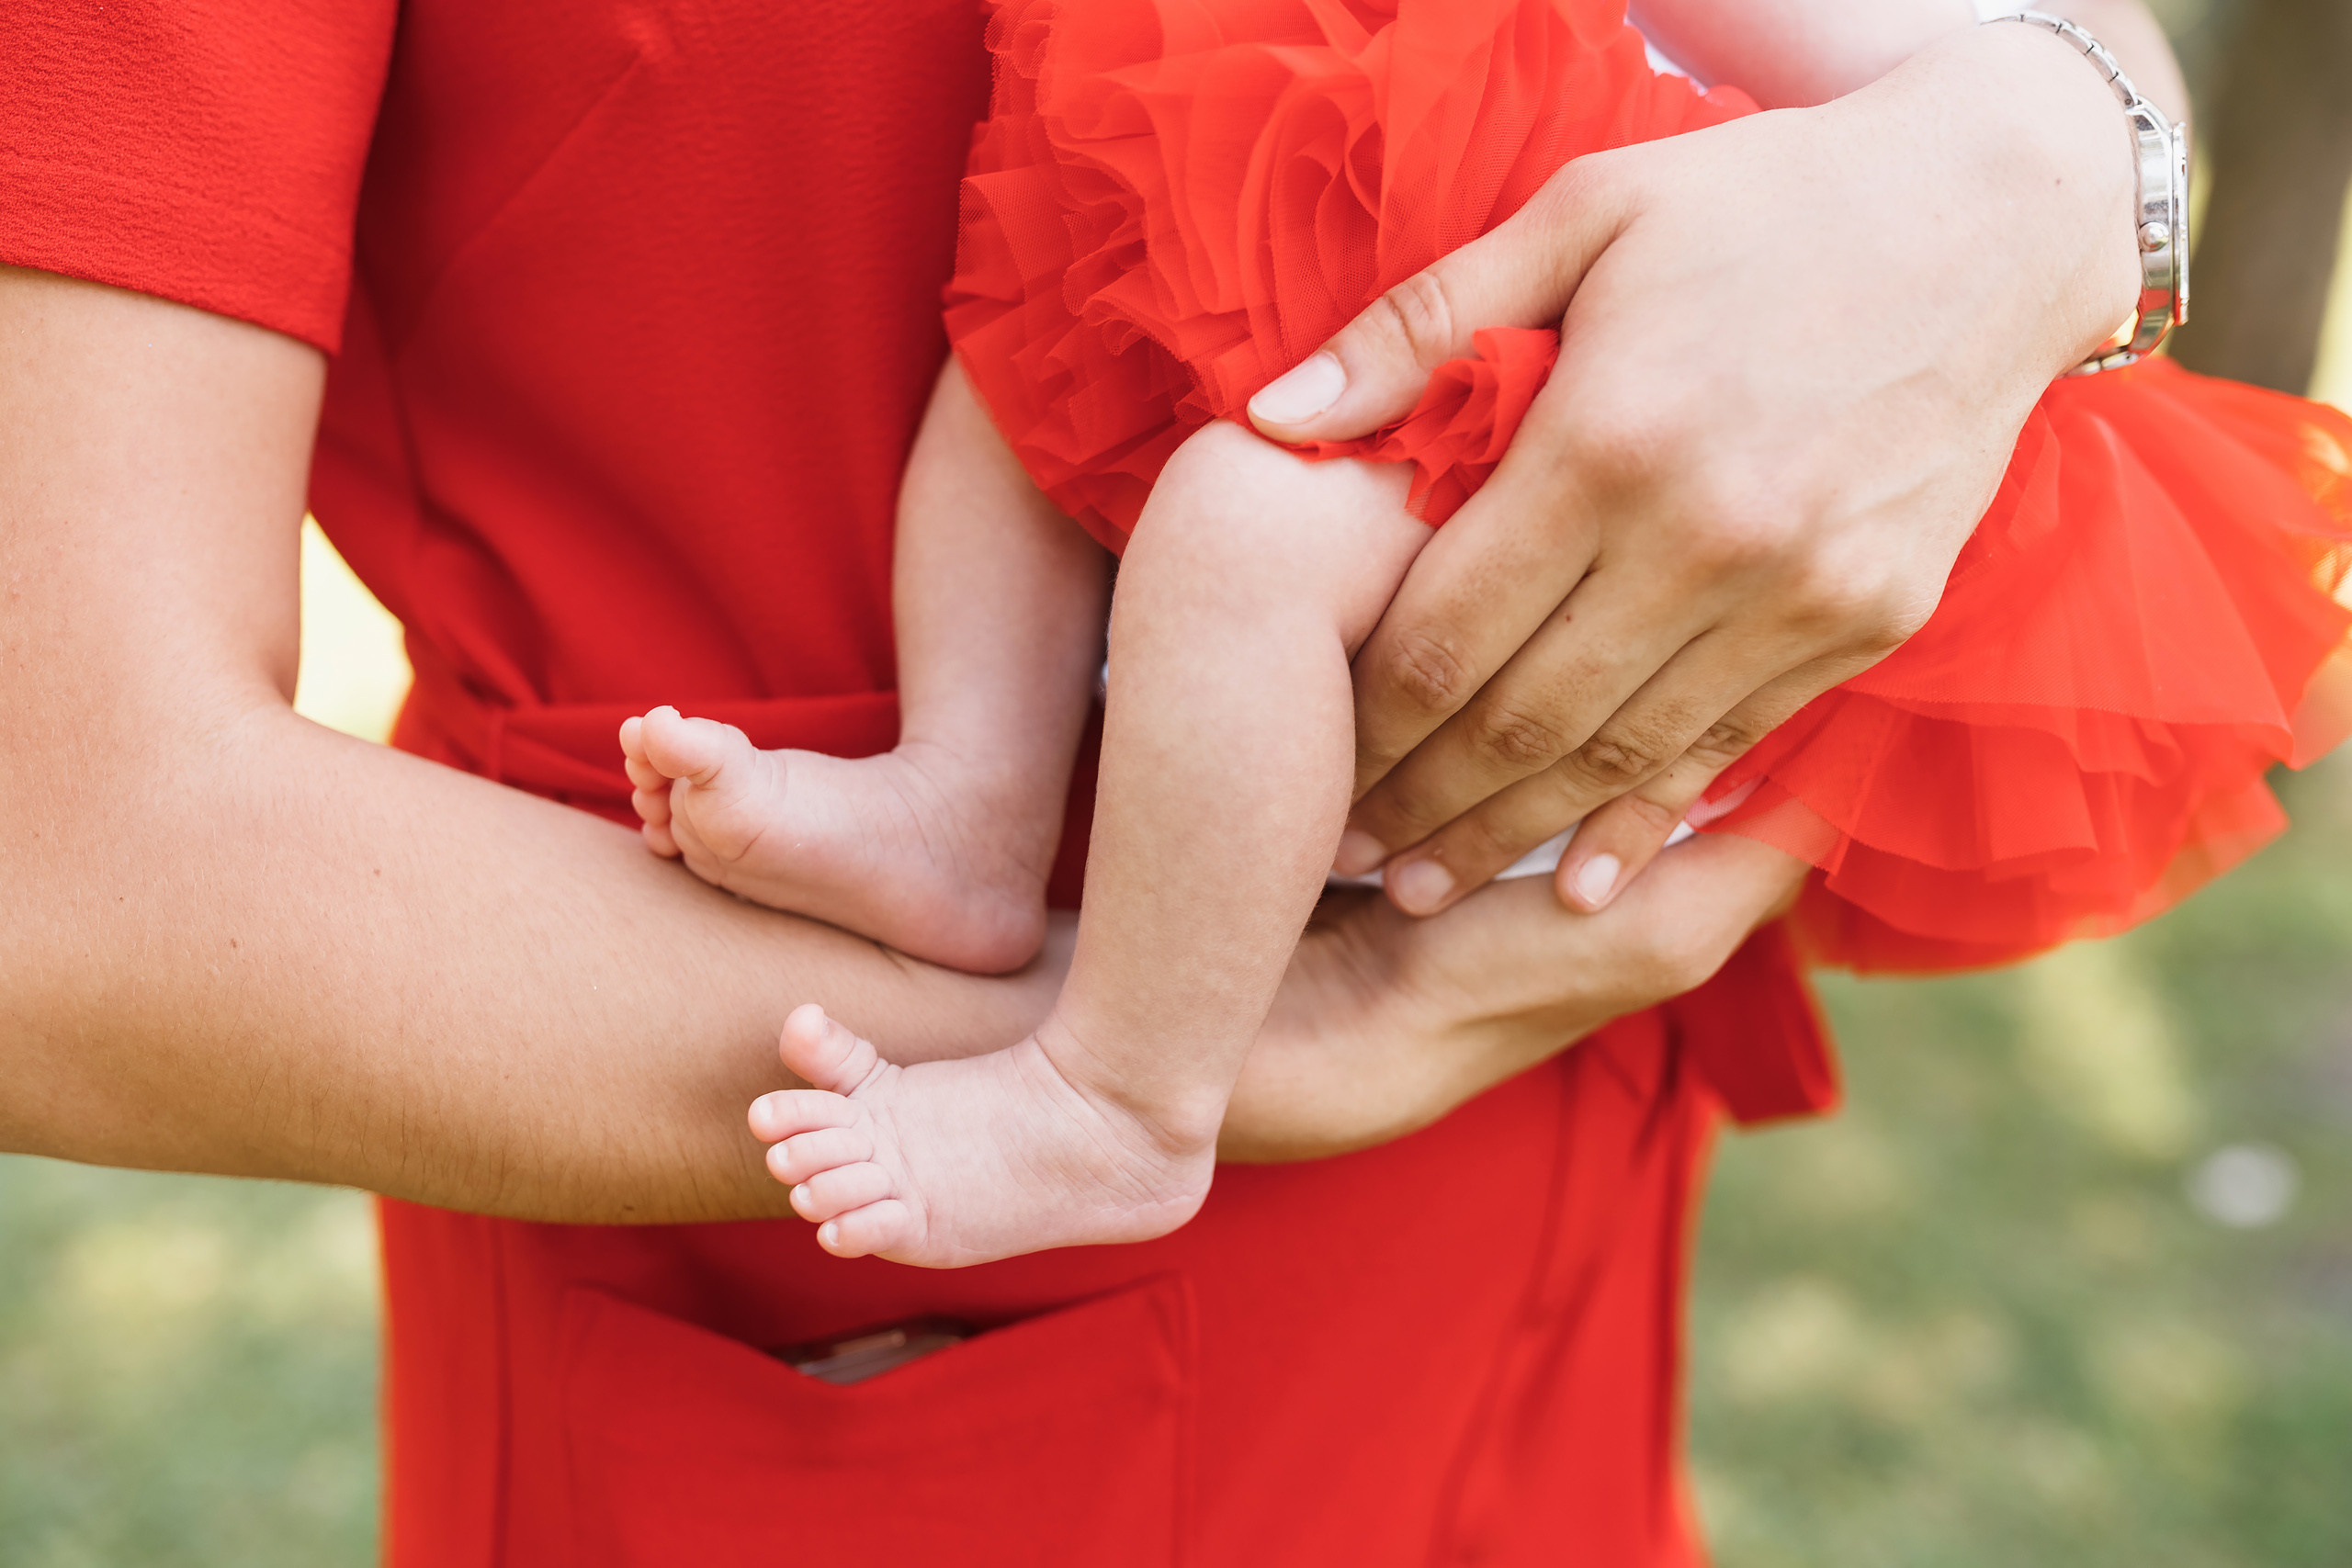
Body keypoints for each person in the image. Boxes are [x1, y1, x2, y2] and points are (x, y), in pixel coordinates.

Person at [0, 0, 2287, 1562]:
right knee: (1113, 418)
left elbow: (2025, 63)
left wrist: (2052, 173)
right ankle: (1000, 868)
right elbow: (63, 868)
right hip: (846, 1297)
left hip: (1539, 1224)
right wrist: (1207, 1042)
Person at [618, 0, 2352, 1269]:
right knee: (1027, 337)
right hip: (1428, 333)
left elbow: (1975, 82)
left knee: (1245, 521)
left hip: (1635, 408)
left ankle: (1125, 1104)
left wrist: (2034, 166)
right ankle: (970, 802)